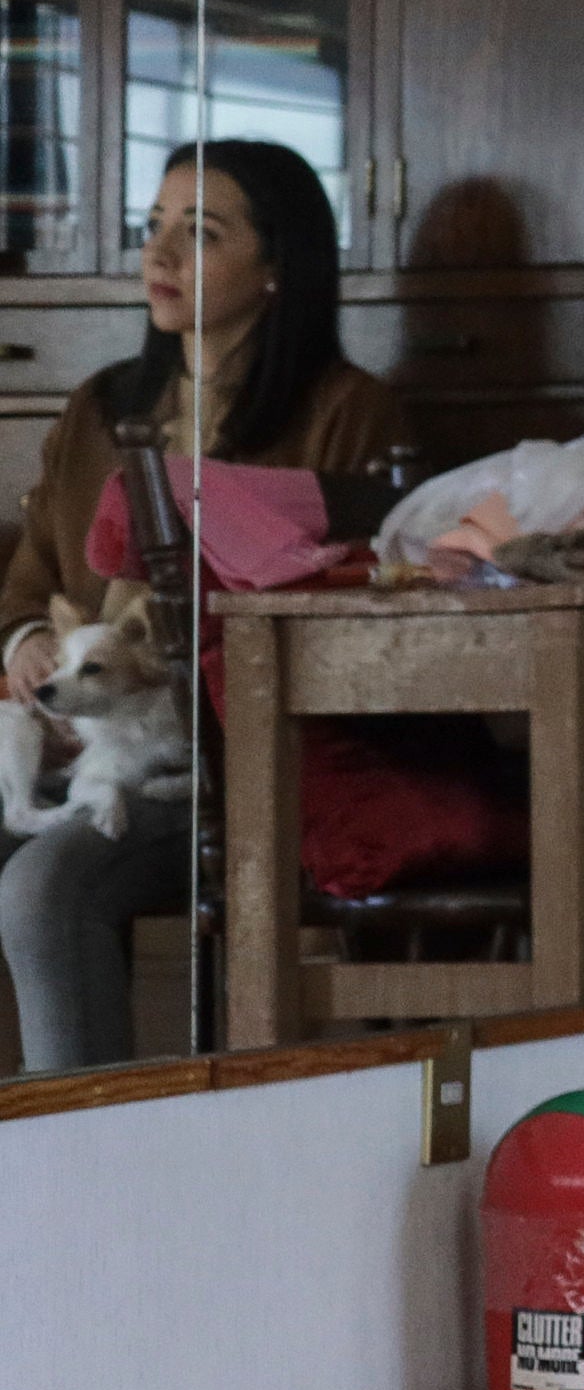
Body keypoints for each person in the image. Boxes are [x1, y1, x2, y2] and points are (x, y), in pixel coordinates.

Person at [0, 142, 398, 1073]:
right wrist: (26, 648)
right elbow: (30, 581)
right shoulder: (101, 406)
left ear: (277, 267)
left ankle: (84, 1159)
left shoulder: (347, 410)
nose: (160, 255)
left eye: (201, 232)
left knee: (46, 887)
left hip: (217, 761)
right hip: (68, 729)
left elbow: (358, 601)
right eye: (154, 229)